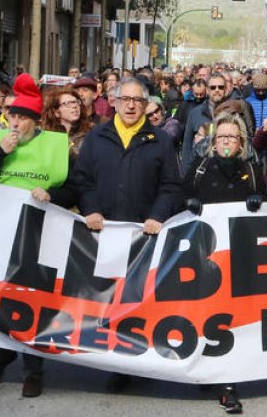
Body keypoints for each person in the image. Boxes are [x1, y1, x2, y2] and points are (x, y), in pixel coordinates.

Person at [71, 78, 183, 393]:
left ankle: (141, 359)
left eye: (137, 100)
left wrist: (157, 215)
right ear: (115, 102)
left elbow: (171, 185)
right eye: (125, 99)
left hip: (144, 235)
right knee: (111, 300)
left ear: (146, 105)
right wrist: (90, 209)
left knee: (141, 300)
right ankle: (117, 363)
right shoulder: (97, 136)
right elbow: (82, 179)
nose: (131, 105)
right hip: (105, 233)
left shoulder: (159, 140)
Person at [0, 73, 73, 398]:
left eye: (22, 118)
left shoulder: (56, 145)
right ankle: (1, 355)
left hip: (39, 234)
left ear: (35, 120)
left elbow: (77, 188)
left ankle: (33, 370)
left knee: (33, 301)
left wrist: (53, 195)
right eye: (11, 115)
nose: (15, 123)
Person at [181, 112, 264, 414]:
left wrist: (257, 199)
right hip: (206, 255)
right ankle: (206, 367)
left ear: (241, 143)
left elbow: (264, 198)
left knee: (232, 316)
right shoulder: (200, 166)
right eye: (221, 138)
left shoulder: (252, 167)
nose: (226, 142)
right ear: (213, 143)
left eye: (232, 137)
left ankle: (227, 382)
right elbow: (183, 192)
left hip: (240, 253)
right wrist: (189, 203)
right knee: (206, 313)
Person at [182, 73, 234, 172]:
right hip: (201, 170)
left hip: (227, 170)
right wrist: (185, 173)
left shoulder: (234, 112)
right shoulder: (195, 113)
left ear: (226, 89)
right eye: (213, 87)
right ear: (207, 90)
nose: (217, 90)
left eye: (220, 87)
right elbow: (187, 146)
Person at [41, 87, 91, 156]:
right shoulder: (46, 138)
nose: (74, 106)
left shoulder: (89, 135)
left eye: (76, 102)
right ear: (56, 113)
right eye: (67, 103)